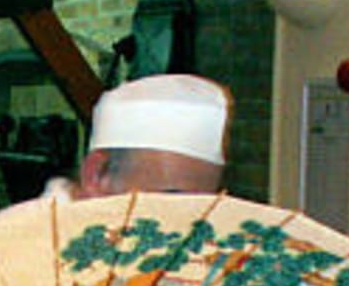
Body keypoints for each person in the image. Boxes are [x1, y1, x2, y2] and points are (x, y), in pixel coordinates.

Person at [59, 72, 230, 201]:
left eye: (208, 205)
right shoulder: (45, 235)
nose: (191, 222)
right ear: (96, 176)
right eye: (172, 202)